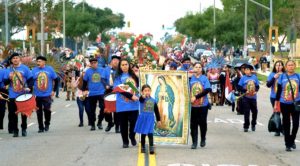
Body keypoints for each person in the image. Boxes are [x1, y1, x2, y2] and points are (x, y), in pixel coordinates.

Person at [3, 53, 33, 137]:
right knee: (13, 113)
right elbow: (5, 82)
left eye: (16, 58)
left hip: (23, 94)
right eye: (13, 58)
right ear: (11, 60)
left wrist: (29, 88)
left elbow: (30, 79)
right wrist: (9, 78)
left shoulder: (25, 68)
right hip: (12, 95)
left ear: (19, 59)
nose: (15, 59)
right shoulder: (9, 69)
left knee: (23, 113)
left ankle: (24, 129)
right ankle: (15, 130)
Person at [113, 59, 139, 148]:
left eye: (126, 64)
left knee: (134, 123)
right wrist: (131, 96)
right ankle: (125, 141)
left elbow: (138, 87)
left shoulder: (134, 76)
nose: (124, 66)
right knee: (123, 125)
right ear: (120, 66)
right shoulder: (117, 77)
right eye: (122, 65)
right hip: (122, 104)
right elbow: (118, 89)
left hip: (134, 105)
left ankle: (132, 136)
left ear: (129, 65)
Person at [275, 60, 300, 152]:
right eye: (289, 65)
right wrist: (276, 103)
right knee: (286, 123)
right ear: (286, 67)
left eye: (292, 65)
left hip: (296, 103)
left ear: (295, 66)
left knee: (296, 124)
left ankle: (292, 139)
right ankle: (287, 144)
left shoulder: (298, 76)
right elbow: (278, 91)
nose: (291, 67)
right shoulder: (282, 77)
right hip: (284, 103)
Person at [31, 56, 59, 133]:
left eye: (39, 61)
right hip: (37, 94)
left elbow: (56, 80)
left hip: (47, 94)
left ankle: (47, 123)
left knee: (47, 110)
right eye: (37, 61)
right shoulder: (34, 70)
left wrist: (54, 90)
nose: (38, 63)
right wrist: (29, 90)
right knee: (38, 111)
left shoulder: (49, 69)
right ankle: (40, 127)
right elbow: (30, 81)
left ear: (44, 62)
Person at [82, 57, 109, 131]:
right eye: (92, 63)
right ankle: (93, 124)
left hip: (101, 92)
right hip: (92, 93)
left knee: (103, 108)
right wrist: (83, 90)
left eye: (95, 63)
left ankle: (99, 122)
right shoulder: (88, 71)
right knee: (91, 110)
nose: (94, 64)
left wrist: (107, 86)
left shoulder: (102, 70)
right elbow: (84, 82)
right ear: (90, 64)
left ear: (97, 63)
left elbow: (106, 80)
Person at [190, 62, 211, 149]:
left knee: (202, 123)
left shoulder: (204, 78)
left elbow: (207, 89)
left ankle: (203, 138)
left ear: (202, 69)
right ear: (193, 68)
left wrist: (196, 96)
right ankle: (194, 142)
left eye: (199, 67)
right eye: (196, 67)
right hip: (193, 106)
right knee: (193, 124)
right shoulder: (190, 78)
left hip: (203, 105)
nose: (198, 69)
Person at [134, 84, 161, 154]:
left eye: (148, 90)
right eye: (145, 91)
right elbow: (141, 99)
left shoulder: (154, 101)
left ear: (151, 91)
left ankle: (151, 148)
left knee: (150, 133)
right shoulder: (141, 99)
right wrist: (142, 96)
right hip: (143, 118)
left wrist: (159, 120)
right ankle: (143, 147)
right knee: (143, 133)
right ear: (142, 92)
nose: (147, 92)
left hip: (150, 118)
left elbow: (156, 111)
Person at [238, 64, 260, 132]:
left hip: (253, 97)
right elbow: (239, 87)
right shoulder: (243, 78)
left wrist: (256, 91)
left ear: (251, 70)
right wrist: (245, 91)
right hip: (246, 97)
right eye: (245, 70)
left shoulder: (254, 77)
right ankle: (246, 126)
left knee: (255, 112)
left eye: (248, 69)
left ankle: (253, 124)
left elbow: (257, 86)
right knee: (246, 112)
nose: (246, 71)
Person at [266, 60, 285, 136]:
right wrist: (274, 77)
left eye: (280, 65)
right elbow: (268, 85)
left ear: (283, 66)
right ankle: (277, 129)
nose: (278, 66)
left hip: (284, 97)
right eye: (277, 65)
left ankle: (283, 128)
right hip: (274, 97)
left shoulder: (285, 74)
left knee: (285, 113)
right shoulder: (272, 74)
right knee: (277, 113)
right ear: (274, 66)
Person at [104, 55, 121, 133]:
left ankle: (117, 126)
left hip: (118, 91)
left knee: (117, 110)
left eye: (117, 60)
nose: (115, 61)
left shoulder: (121, 70)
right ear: (111, 61)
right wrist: (106, 85)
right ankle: (110, 123)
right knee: (106, 109)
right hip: (109, 90)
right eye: (114, 60)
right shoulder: (107, 69)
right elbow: (102, 79)